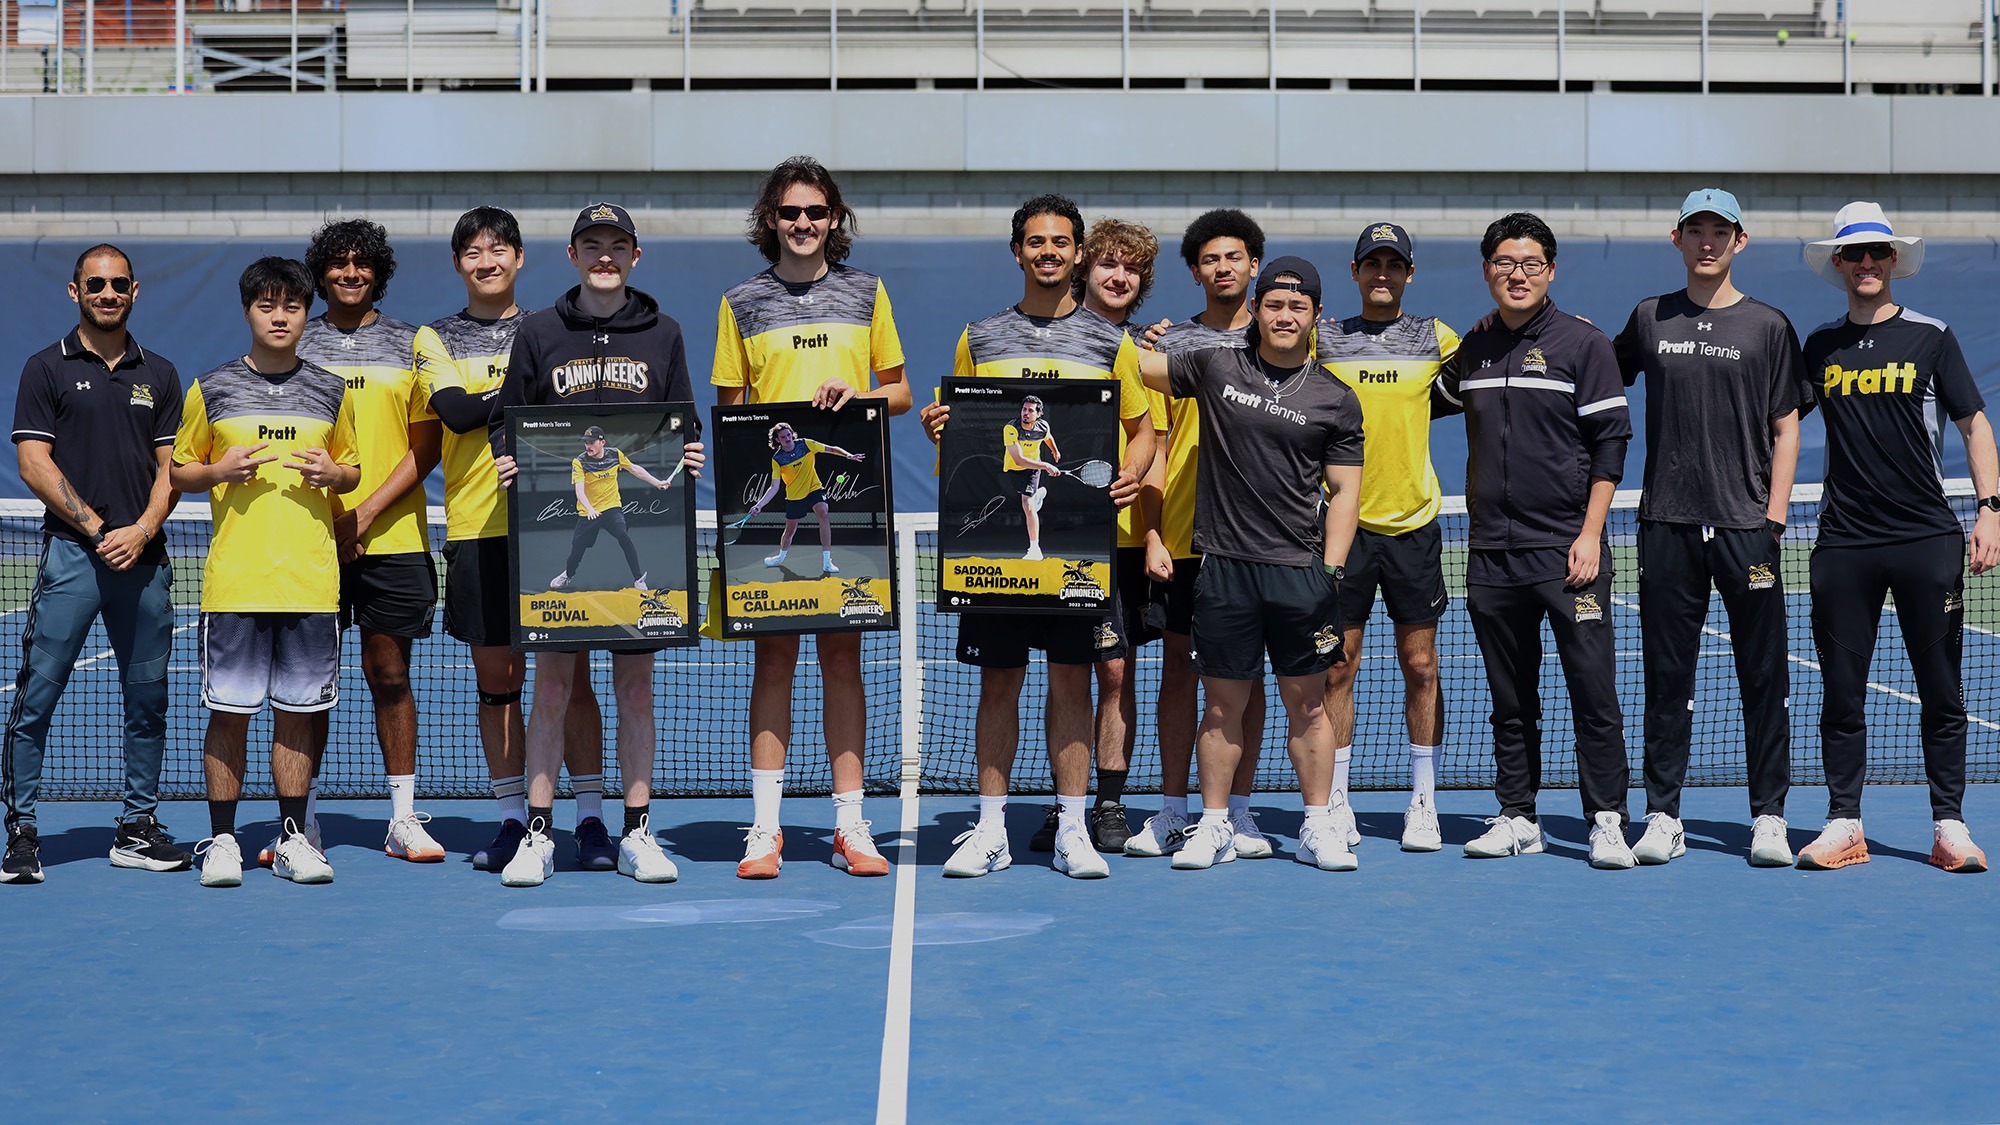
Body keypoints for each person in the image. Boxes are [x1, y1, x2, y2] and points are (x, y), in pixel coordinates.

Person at [918, 193, 1156, 879]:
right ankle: (990, 829)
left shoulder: (1113, 342)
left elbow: (1141, 430)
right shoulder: (981, 336)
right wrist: (942, 426)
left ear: (1076, 253)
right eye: (1035, 241)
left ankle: (1073, 829)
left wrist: (1132, 475)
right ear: (1017, 251)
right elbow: (962, 427)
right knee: (998, 682)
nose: (1048, 252)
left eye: (1060, 242)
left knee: (1072, 682)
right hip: (994, 554)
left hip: (1081, 550)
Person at [492, 202, 705, 888]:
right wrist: (505, 456)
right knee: (551, 686)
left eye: (618, 244)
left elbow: (683, 420)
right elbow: (507, 418)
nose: (605, 254)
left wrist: (690, 453)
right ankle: (538, 833)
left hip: (643, 520)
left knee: (635, 687)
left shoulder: (664, 332)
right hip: (552, 517)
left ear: (636, 255)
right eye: (592, 243)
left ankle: (637, 832)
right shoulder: (539, 331)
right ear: (572, 254)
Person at [713, 156, 910, 880]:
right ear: (772, 220)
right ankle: (764, 830)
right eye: (790, 213)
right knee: (774, 659)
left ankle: (850, 826)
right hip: (768, 503)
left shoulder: (867, 293)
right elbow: (733, 411)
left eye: (816, 212)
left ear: (835, 219)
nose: (803, 224)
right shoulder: (740, 302)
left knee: (842, 661)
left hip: (853, 505)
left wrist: (856, 390)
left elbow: (900, 394)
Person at [1134, 256, 1364, 872]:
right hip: (1225, 569)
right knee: (1220, 706)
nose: (1285, 316)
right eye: (1274, 305)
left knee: (1309, 706)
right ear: (1256, 310)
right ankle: (1213, 826)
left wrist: (1331, 572)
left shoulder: (1336, 399)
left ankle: (1318, 827)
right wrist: (1133, 330)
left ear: (1316, 315)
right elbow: (1136, 366)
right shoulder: (1215, 365)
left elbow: (1344, 492)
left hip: (1299, 573)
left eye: (1298, 306)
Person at [1796, 201, 1999, 874]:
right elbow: (1776, 421)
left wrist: (1991, 508)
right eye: (1853, 254)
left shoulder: (1931, 337)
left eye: (1877, 252)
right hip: (1844, 544)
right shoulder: (1818, 347)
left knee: (1942, 688)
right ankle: (1843, 823)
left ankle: (1949, 826)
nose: (1865, 263)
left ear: (1892, 261)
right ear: (1838, 264)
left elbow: (1973, 423)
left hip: (1926, 539)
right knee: (1842, 692)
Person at [1431, 212, 1636, 869]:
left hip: (1567, 549)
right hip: (1491, 553)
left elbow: (1611, 446)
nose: (1516, 275)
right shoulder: (1474, 347)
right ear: (1487, 269)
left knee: (1592, 691)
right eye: (1503, 264)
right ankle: (1518, 814)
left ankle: (1606, 819)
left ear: (1550, 271)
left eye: (1530, 264)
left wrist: (1591, 535)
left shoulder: (1585, 344)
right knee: (1510, 696)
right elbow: (1406, 394)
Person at [1611, 188, 1807, 868]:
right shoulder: (1649, 317)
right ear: (1677, 239)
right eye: (1695, 229)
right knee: (1666, 678)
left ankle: (1769, 817)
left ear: (1739, 241)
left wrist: (1773, 517)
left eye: (1719, 231)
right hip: (1665, 524)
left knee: (1763, 677)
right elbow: (1599, 375)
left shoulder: (1769, 326)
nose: (1706, 241)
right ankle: (1664, 816)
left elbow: (1788, 427)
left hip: (1747, 529)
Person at [413, 206, 612, 875]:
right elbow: (461, 414)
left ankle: (588, 819)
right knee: (497, 682)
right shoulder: (434, 337)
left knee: (573, 678)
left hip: (555, 523)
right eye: (473, 251)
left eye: (499, 248)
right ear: (458, 263)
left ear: (521, 258)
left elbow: (581, 415)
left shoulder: (557, 327)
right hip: (477, 526)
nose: (487, 260)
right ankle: (511, 820)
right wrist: (525, 386)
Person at [170, 257, 361, 888]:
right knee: (229, 713)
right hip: (237, 583)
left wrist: (336, 477)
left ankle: (292, 838)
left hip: (310, 581)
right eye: (266, 306)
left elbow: (352, 470)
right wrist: (215, 473)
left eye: (293, 306)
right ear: (248, 311)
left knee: (298, 716)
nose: (280, 317)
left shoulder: (332, 390)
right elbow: (179, 470)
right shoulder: (212, 388)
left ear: (308, 313)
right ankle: (222, 839)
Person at [2, 245, 186, 885]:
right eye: (95, 285)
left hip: (143, 559)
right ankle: (23, 833)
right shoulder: (44, 368)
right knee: (37, 700)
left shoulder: (160, 373)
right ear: (73, 291)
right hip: (72, 561)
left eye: (118, 285)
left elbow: (172, 470)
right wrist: (102, 530)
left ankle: (137, 827)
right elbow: (34, 464)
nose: (107, 294)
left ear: (135, 290)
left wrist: (139, 531)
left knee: (148, 701)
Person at [293, 218, 443, 867]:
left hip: (394, 537)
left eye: (362, 263)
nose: (350, 272)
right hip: (309, 542)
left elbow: (425, 448)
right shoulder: (294, 343)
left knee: (389, 672)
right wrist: (332, 520)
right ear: (321, 272)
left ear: (377, 271)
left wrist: (363, 516)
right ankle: (299, 823)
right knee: (309, 684)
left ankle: (403, 818)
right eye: (338, 262)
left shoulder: (413, 342)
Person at [1127, 208, 1271, 860]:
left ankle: (1238, 812)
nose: (1223, 267)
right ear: (1195, 270)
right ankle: (1173, 808)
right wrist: (1153, 534)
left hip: (1261, 541)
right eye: (1210, 259)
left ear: (1254, 265)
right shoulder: (1168, 345)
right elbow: (1152, 445)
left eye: (1234, 257)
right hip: (1186, 538)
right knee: (1180, 675)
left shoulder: (1284, 338)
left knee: (1248, 678)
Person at [1318, 222, 1459, 853]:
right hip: (1340, 528)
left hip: (1413, 529)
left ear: (1408, 273)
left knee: (1420, 666)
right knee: (1336, 670)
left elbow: (1506, 350)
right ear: (1354, 273)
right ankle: (1338, 800)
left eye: (1393, 264)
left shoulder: (1436, 337)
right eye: (1370, 264)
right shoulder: (1324, 338)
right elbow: (1235, 346)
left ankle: (1423, 801)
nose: (1382, 274)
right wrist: (1164, 332)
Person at [1064, 217, 1167, 853]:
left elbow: (1152, 444)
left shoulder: (1149, 352)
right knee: (1075, 673)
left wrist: (1153, 534)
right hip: (1066, 539)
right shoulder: (1051, 341)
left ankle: (1107, 800)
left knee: (1118, 674)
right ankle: (1069, 803)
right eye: (1107, 263)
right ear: (1084, 269)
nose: (1119, 276)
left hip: (1132, 541)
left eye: (1131, 268)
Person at [552, 425, 675, 591]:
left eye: (591, 442)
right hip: (588, 512)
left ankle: (638, 579)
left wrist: (657, 482)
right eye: (585, 442)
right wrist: (590, 509)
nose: (588, 446)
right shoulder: (579, 462)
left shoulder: (615, 454)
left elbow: (634, 470)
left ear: (602, 442)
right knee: (577, 550)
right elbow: (579, 490)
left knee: (623, 535)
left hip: (612, 508)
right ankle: (568, 574)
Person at [745, 422, 864, 573]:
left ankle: (827, 561)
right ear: (777, 440)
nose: (788, 438)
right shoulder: (778, 459)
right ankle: (781, 556)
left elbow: (831, 449)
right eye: (783, 437)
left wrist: (848, 455)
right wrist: (759, 505)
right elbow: (774, 486)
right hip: (795, 495)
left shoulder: (806, 444)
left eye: (789, 435)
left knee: (823, 513)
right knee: (790, 530)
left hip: (814, 488)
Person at [1003, 395, 1061, 562]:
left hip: (1033, 469)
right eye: (1024, 409)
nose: (1026, 413)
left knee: (1027, 505)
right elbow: (1019, 460)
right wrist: (1047, 465)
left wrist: (1054, 451)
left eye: (1030, 410)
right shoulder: (1011, 428)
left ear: (1038, 414)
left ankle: (1035, 549)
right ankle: (1037, 496)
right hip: (1014, 468)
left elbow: (1048, 437)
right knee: (1028, 502)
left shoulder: (1042, 427)